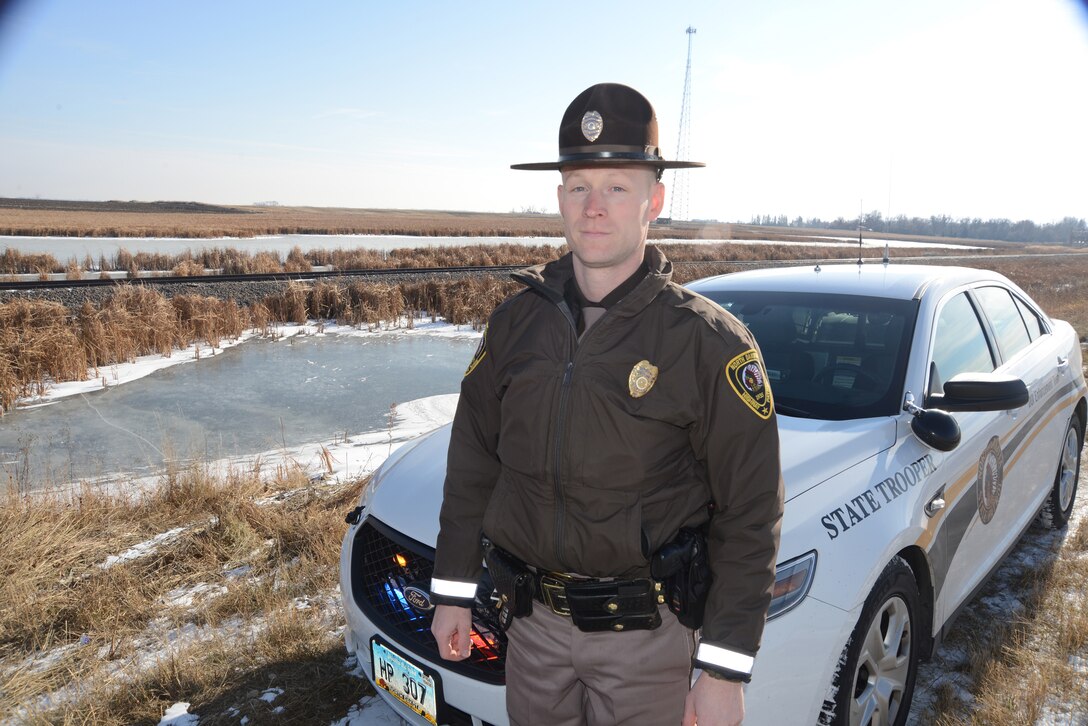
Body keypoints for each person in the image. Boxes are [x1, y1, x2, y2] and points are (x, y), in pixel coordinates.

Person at [429, 82, 783, 726]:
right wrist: (453, 590)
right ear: (558, 197)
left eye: (617, 187)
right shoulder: (516, 325)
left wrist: (724, 669)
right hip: (533, 634)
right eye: (578, 186)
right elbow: (473, 459)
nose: (594, 207)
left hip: (649, 644)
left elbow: (751, 513)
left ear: (655, 200)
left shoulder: (707, 344)